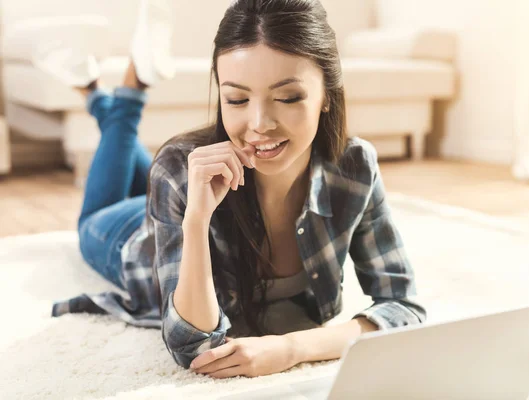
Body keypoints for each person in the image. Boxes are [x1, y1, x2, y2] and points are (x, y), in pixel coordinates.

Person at [39, 0, 425, 378]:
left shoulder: (354, 166)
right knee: (98, 212)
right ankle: (126, 93)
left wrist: (293, 347)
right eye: (237, 99)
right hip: (129, 237)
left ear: (327, 94)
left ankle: (100, 97)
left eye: (288, 97)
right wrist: (195, 220)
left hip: (171, 189)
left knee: (162, 164)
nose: (259, 124)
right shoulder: (178, 170)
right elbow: (193, 347)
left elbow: (403, 306)